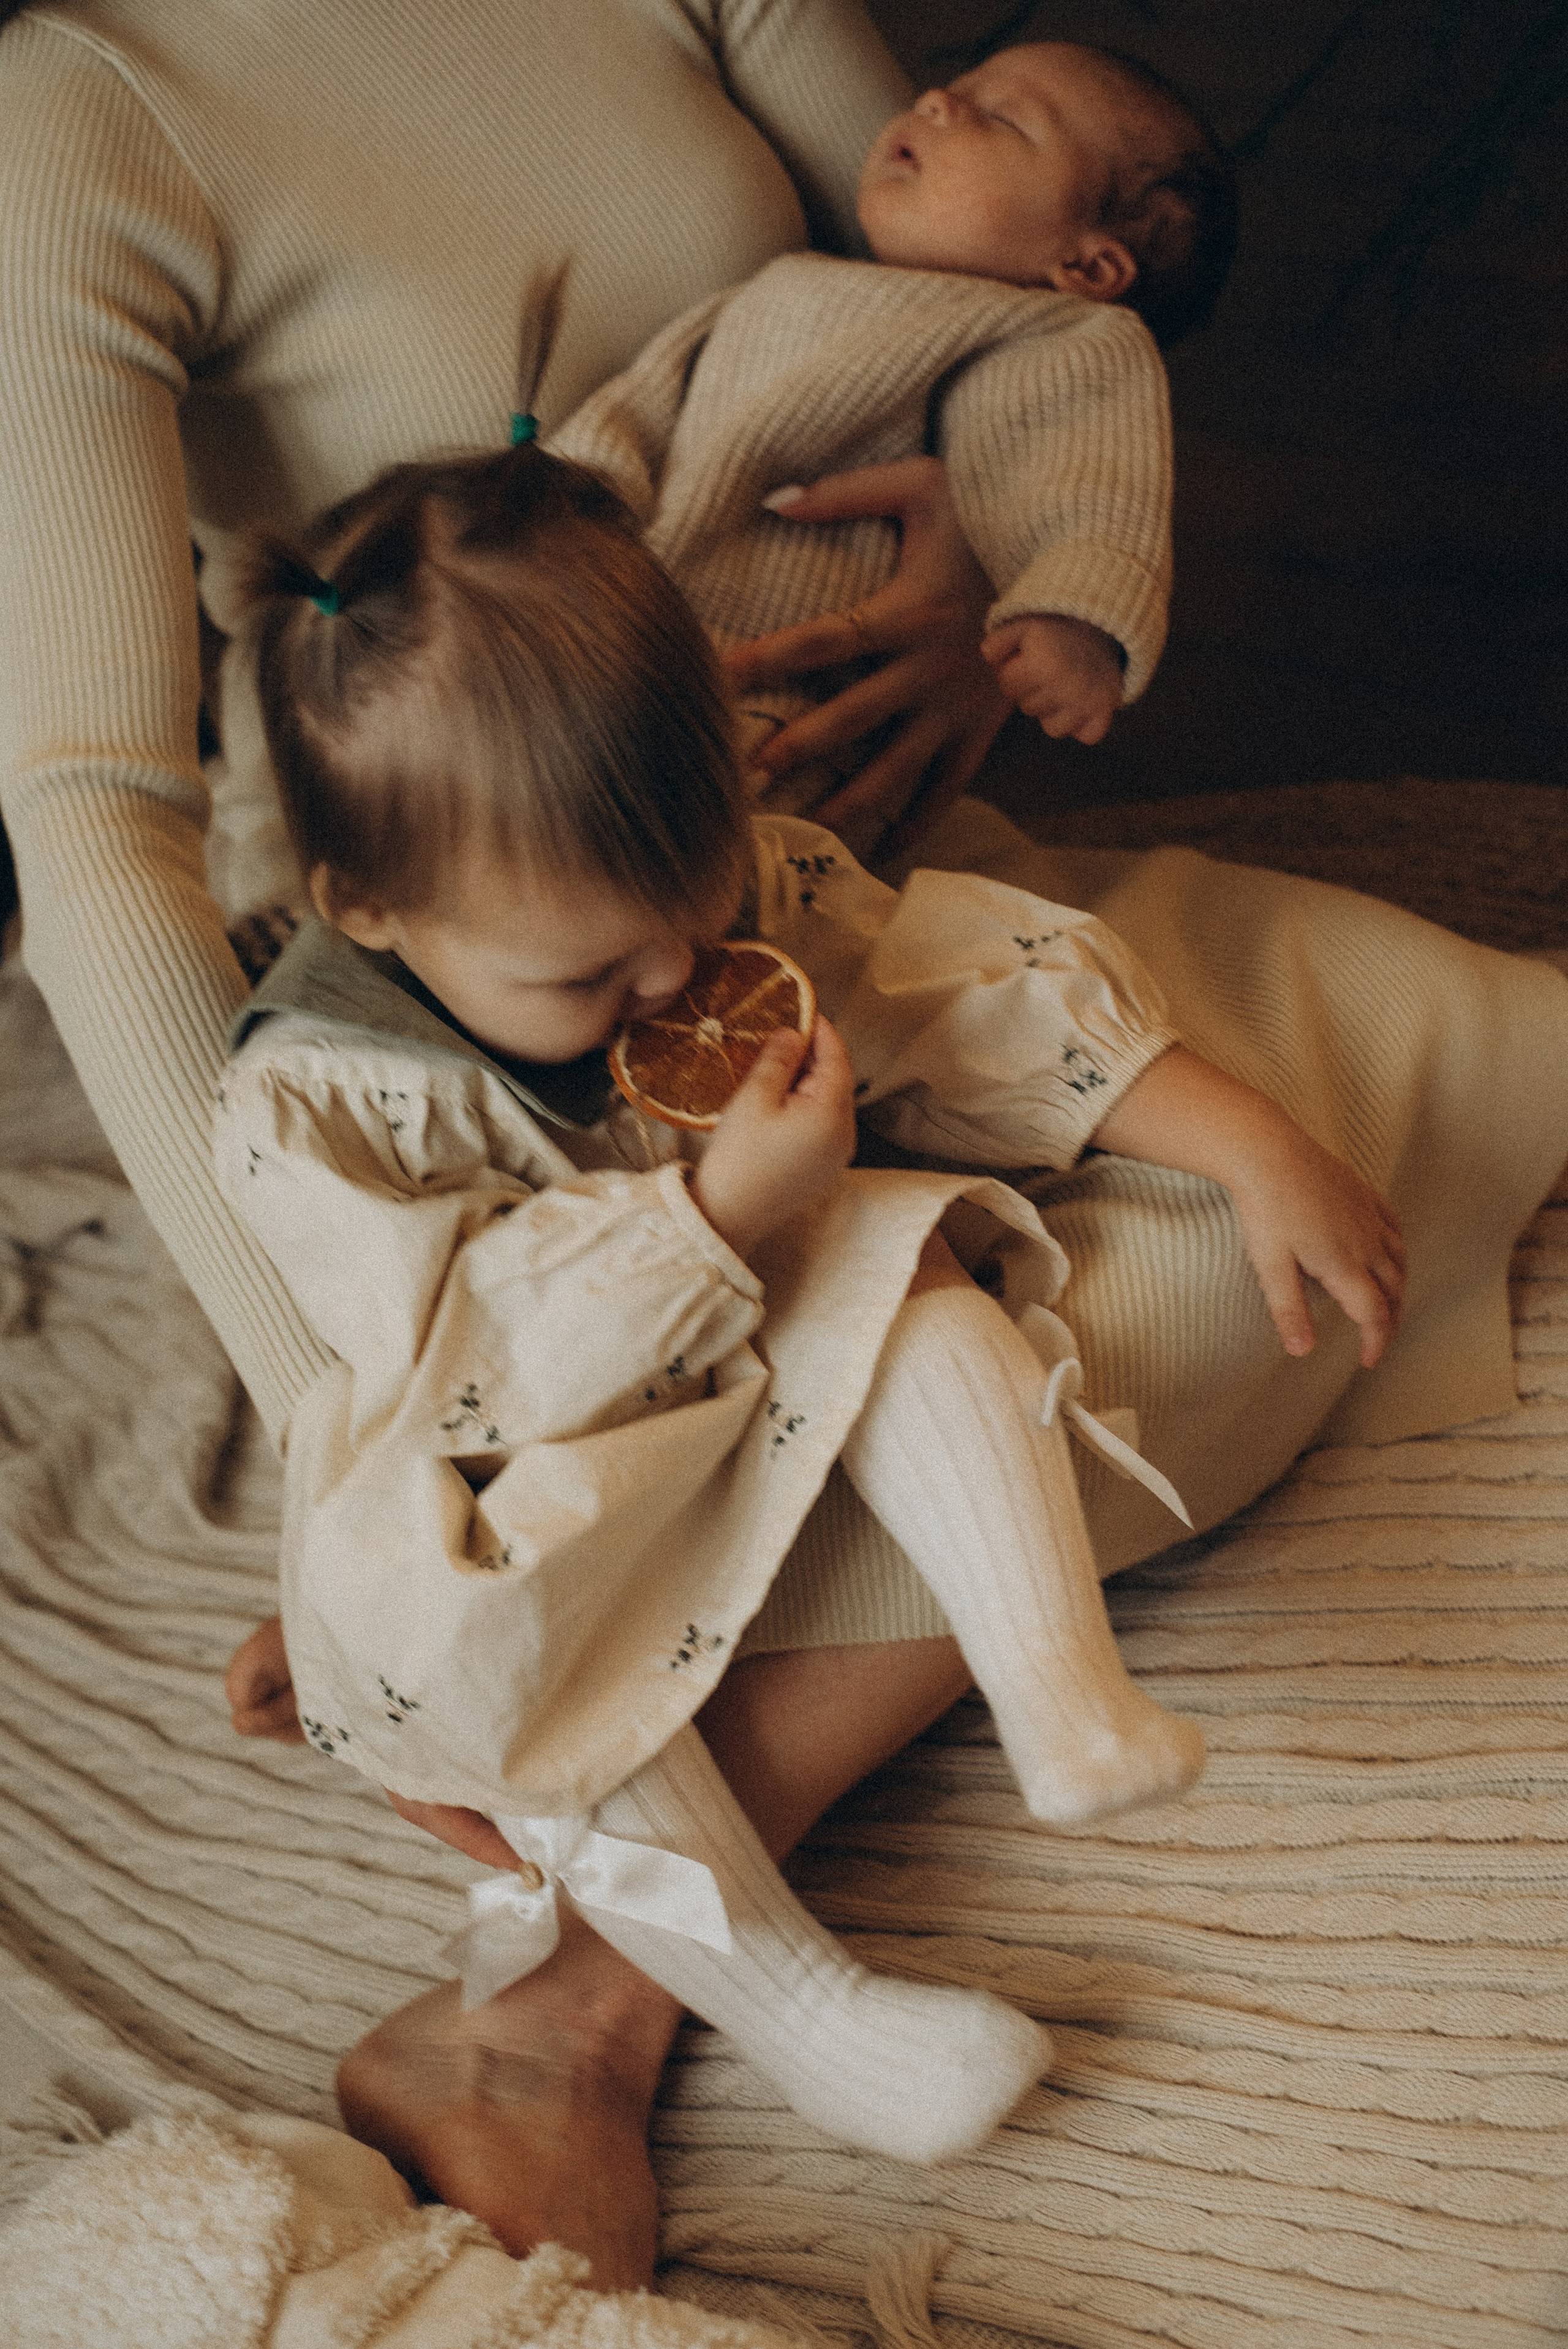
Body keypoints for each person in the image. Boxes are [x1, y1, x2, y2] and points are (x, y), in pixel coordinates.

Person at [4, 0, 1567, 2290]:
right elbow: (97, 815)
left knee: (1324, 1098)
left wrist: (973, 570)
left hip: (764, 875)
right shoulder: (94, 104)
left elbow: (1005, 265)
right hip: (482, 1032)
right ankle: (581, 1993)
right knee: (1060, 1314)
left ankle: (644, 1837)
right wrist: (355, 1434)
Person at [212, 436, 1406, 2161]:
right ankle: (799, 2006)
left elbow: (943, 994)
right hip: (539, 1468)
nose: (675, 980)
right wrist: (703, 1217)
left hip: (755, 1370)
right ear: (366, 906)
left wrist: (1240, 1132)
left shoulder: (723, 895)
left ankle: (1055, 1680)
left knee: (901, 1241)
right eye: (587, 971)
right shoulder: (320, 1106)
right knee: (484, 1647)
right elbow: (470, 1364)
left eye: (697, 905)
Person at [552, 40, 1236, 852]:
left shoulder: (1067, 335)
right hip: (612, 628)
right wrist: (543, 491)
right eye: (956, 88)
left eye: (1006, 119)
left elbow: (1086, 480)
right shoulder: (783, 283)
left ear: (1087, 265)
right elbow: (641, 407)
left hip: (789, 691)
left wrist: (1078, 617)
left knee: (709, 852)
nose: (939, 102)